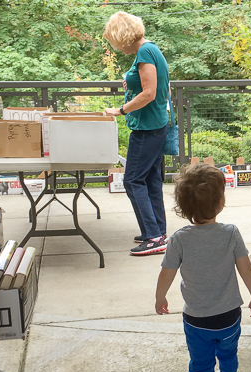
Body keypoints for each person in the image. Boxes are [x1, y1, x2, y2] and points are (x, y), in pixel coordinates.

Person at [155, 163, 251, 372]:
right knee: (228, 353)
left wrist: (160, 297)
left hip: (196, 320)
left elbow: (167, 272)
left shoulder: (179, 239)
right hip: (229, 316)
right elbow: (246, 268)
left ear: (183, 207)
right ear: (220, 202)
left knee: (201, 368)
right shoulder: (231, 233)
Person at [104, 12, 171, 256]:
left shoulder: (144, 52)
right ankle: (157, 231)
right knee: (150, 180)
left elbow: (149, 92)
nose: (116, 46)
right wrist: (130, 84)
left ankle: (154, 238)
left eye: (114, 40)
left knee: (132, 180)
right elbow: (160, 87)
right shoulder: (152, 50)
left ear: (122, 36)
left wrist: (119, 110)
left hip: (147, 128)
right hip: (156, 125)